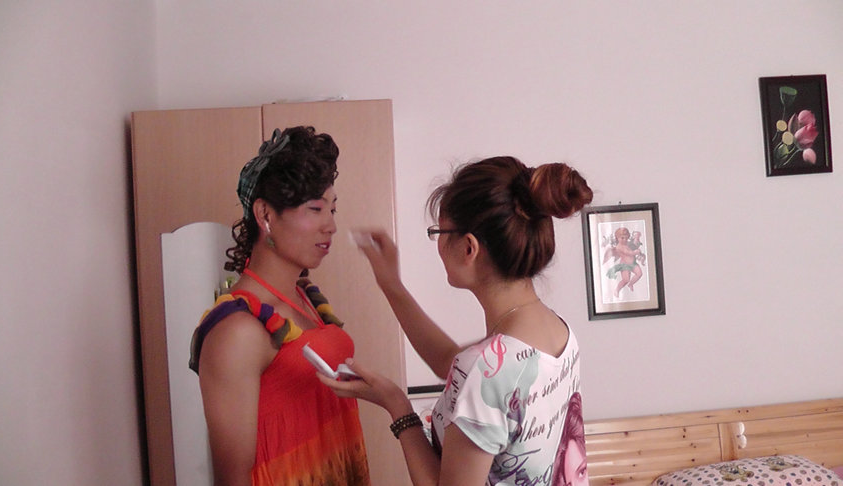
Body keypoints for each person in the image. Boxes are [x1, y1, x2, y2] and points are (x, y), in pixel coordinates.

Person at [321, 156, 593, 486]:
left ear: (468, 247)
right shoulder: (557, 332)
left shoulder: (487, 366)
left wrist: (398, 406)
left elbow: (474, 373)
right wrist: (391, 285)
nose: (438, 243)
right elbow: (452, 364)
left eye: (439, 231)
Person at [188, 126, 370, 486]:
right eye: (315, 209)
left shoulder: (306, 299)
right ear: (266, 215)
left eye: (332, 209)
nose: (331, 225)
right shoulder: (238, 330)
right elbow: (233, 478)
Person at [603, 227, 643, 298]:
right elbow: (628, 252)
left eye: (626, 238)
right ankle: (617, 290)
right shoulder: (619, 247)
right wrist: (635, 252)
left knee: (639, 274)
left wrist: (637, 238)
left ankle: (631, 284)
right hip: (625, 265)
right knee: (626, 279)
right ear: (617, 238)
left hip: (633, 263)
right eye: (622, 238)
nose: (624, 239)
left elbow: (634, 245)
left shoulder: (626, 243)